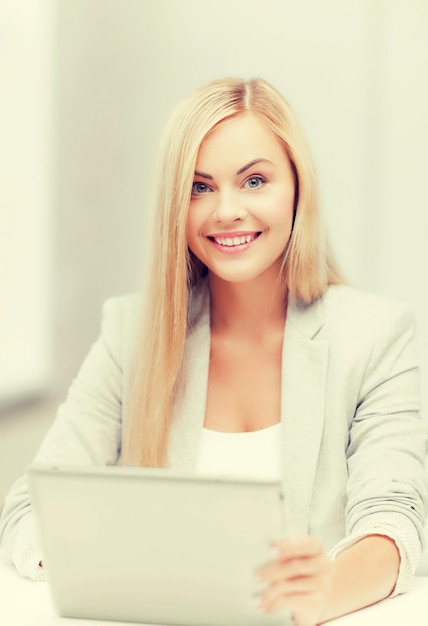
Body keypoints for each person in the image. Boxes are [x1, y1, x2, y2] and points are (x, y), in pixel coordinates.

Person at [1, 77, 427, 626]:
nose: (226, 211)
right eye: (199, 187)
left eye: (254, 180)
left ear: (297, 188)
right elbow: (28, 509)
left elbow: (394, 521)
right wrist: (115, 564)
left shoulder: (374, 334)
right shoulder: (129, 331)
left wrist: (327, 587)